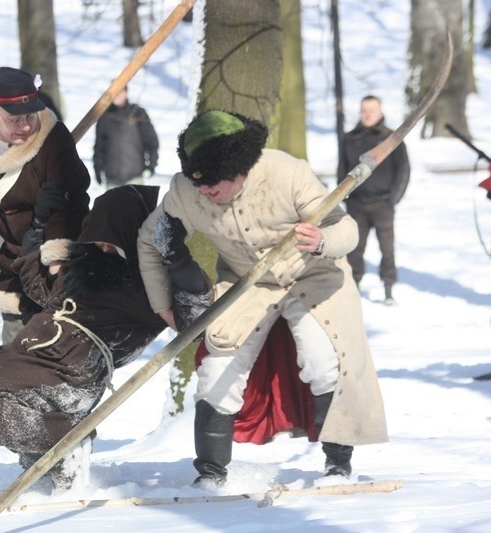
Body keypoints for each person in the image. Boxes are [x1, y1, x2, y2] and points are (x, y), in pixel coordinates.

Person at [0, 185, 174, 517]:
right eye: (98, 237)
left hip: (70, 374)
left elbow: (188, 314)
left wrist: (175, 261)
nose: (103, 247)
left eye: (114, 240)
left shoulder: (145, 286)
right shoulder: (81, 267)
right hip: (25, 356)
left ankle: (65, 440)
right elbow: (39, 287)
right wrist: (35, 236)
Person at [137, 110, 388, 488]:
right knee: (217, 372)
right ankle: (210, 474)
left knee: (324, 361)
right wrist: (162, 304)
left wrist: (322, 242)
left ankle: (337, 466)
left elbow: (344, 227)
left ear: (239, 167)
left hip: (313, 276)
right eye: (198, 181)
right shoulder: (185, 192)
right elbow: (149, 240)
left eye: (215, 182)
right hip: (246, 285)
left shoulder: (287, 173)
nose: (205, 191)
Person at [0, 66, 91, 344]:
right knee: (15, 355)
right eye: (15, 120)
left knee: (61, 352)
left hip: (60, 266)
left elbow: (72, 201)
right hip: (15, 266)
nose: (25, 126)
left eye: (31, 117)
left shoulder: (52, 139)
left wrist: (57, 260)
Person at [337, 95, 410, 304]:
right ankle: (354, 286)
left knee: (387, 248)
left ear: (380, 112)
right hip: (356, 204)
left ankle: (388, 288)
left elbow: (403, 170)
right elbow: (342, 169)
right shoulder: (350, 138)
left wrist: (393, 198)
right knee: (354, 248)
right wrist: (345, 196)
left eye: (372, 110)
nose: (368, 114)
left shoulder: (391, 139)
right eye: (364, 110)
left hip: (383, 204)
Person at [93, 85, 159, 188]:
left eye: (120, 92)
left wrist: (151, 165)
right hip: (112, 179)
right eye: (114, 93)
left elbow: (151, 141)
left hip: (135, 177)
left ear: (126, 93)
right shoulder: (105, 117)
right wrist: (98, 169)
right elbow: (99, 147)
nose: (117, 96)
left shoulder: (138, 113)